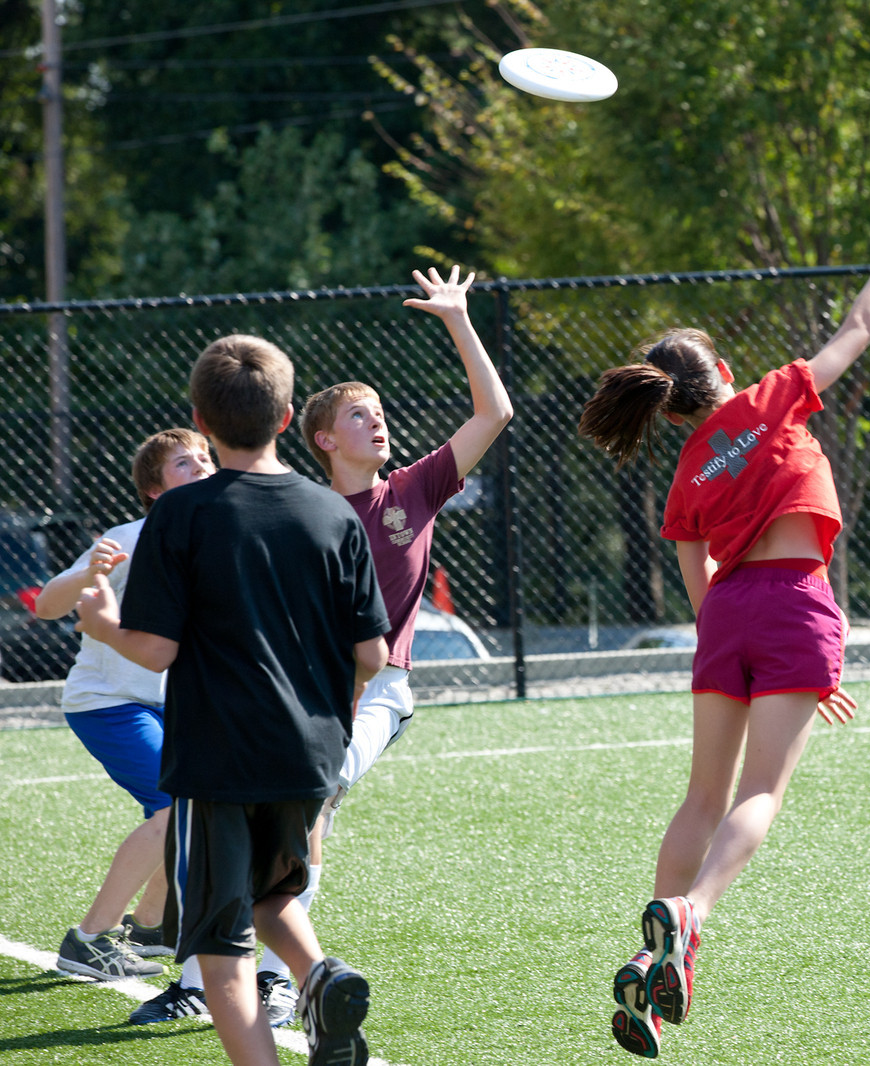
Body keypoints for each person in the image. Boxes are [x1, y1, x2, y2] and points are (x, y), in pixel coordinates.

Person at [578, 219, 870, 1058]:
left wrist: (759, 652)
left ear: (669, 409)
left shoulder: (685, 472)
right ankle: (690, 915)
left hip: (728, 618)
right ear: (722, 374)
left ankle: (649, 961)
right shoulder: (772, 398)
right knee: (762, 795)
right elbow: (861, 328)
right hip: (793, 604)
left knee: (700, 798)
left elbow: (701, 590)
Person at [77, 333, 391, 1066]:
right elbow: (372, 656)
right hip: (309, 753)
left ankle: (296, 1013)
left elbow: (156, 650)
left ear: (200, 419)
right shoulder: (333, 513)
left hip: (218, 758)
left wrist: (102, 624)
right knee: (272, 891)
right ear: (287, 418)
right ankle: (321, 976)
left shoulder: (180, 516)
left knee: (221, 953)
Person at [278, 264, 512, 1008]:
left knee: (312, 803)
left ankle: (284, 980)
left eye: (379, 412)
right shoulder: (303, 512)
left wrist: (457, 320)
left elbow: (494, 413)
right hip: (313, 691)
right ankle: (230, 955)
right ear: (323, 438)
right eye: (358, 415)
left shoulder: (412, 489)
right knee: (291, 818)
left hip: (383, 688)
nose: (376, 421)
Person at [38, 429, 215, 982]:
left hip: (173, 706)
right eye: (185, 464)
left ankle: (151, 926)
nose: (202, 467)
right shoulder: (133, 537)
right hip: (109, 703)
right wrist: (91, 570)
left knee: (191, 806)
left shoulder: (218, 537)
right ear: (156, 492)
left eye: (206, 458)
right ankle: (88, 940)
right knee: (175, 807)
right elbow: (46, 605)